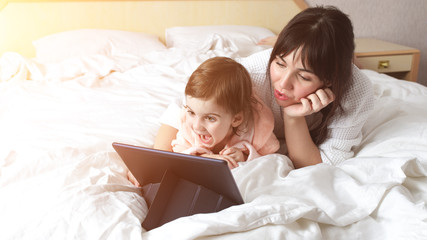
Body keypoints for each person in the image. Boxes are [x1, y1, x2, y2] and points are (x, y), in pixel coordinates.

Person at [154, 6, 374, 168]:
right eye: (280, 63)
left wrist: (293, 117)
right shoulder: (252, 72)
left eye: (304, 77)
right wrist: (156, 165)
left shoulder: (357, 92)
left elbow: (316, 167)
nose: (283, 83)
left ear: (328, 79)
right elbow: (183, 107)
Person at [170, 56, 279, 169]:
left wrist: (245, 158)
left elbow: (271, 161)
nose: (197, 126)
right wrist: (203, 157)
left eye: (210, 118)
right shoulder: (188, 126)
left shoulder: (257, 131)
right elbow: (178, 153)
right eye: (192, 113)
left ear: (236, 119)